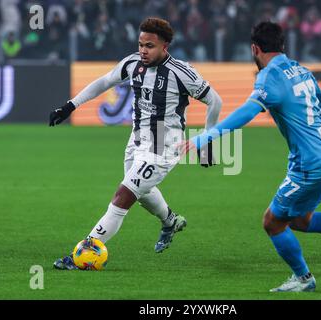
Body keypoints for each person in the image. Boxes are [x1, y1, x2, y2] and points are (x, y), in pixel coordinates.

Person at [181, 21, 321, 292]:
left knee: (272, 221)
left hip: (310, 164)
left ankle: (304, 279)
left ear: (254, 49)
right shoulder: (301, 70)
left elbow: (247, 112)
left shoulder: (269, 76)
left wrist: (204, 137)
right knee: (301, 219)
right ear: (283, 45)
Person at [50, 17, 222, 269]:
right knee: (141, 193)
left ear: (165, 46)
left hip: (164, 142)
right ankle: (170, 220)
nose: (143, 50)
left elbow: (214, 101)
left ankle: (86, 251)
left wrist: (207, 141)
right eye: (141, 44)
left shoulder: (181, 72)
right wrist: (70, 106)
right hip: (137, 138)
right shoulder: (132, 63)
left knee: (124, 194)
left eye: (149, 46)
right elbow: (104, 82)